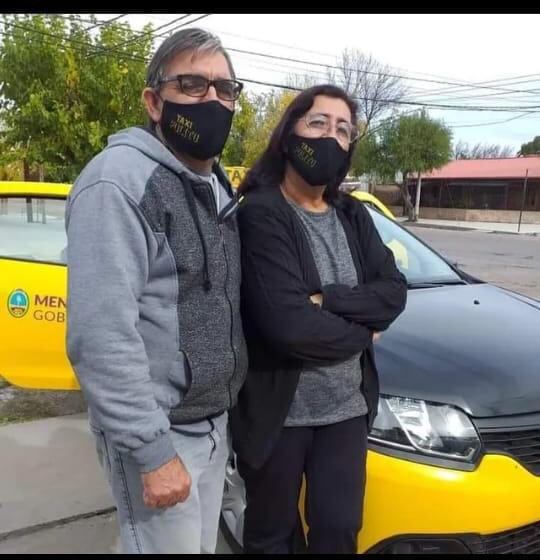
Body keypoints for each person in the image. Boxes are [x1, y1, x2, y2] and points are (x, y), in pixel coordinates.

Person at [65, 28, 248, 554]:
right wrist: (152, 451)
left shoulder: (214, 186)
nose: (212, 100)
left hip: (214, 427)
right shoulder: (117, 184)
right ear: (153, 101)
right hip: (163, 433)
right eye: (192, 85)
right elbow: (100, 337)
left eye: (224, 89)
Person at [230, 84, 408, 554]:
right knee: (271, 537)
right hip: (278, 416)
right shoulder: (263, 213)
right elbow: (289, 327)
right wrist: (363, 330)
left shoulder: (353, 214)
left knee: (338, 532)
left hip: (345, 414)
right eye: (318, 124)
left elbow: (393, 293)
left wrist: (325, 300)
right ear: (289, 136)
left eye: (343, 129)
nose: (332, 136)